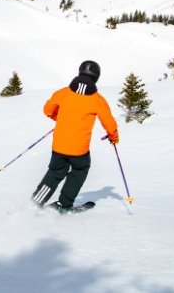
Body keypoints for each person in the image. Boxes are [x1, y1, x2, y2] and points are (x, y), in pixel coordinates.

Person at [31, 60, 119, 213]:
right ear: (96, 77)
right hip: (79, 150)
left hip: (59, 145)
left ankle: (35, 203)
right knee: (80, 169)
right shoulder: (97, 100)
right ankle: (65, 205)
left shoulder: (63, 93)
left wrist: (57, 117)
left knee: (55, 172)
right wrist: (113, 137)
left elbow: (48, 109)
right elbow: (109, 122)